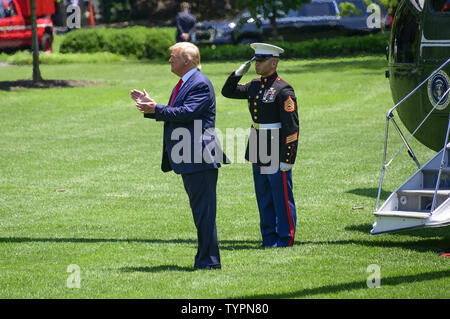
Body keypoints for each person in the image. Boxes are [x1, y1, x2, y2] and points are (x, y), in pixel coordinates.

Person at [130, 42, 223, 270]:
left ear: (187, 60)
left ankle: (209, 262)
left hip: (199, 156)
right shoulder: (185, 82)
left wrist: (156, 108)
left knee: (204, 212)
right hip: (189, 156)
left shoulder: (199, 83)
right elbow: (179, 112)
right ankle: (206, 260)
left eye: (173, 57)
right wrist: (152, 107)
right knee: (201, 212)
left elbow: (188, 113)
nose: (169, 60)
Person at [221, 43, 299, 247]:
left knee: (280, 196)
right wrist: (238, 73)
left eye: (262, 61)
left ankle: (285, 238)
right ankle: (268, 237)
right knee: (263, 196)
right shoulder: (255, 85)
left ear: (274, 63)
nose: (257, 64)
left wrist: (288, 158)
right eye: (256, 60)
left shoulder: (283, 89)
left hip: (275, 144)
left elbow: (291, 127)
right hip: (257, 143)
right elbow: (228, 92)